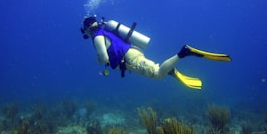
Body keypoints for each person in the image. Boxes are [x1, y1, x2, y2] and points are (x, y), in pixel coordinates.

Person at [81, 16, 231, 89]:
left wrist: (99, 60)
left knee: (158, 75)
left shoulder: (97, 37)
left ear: (88, 28)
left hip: (129, 59)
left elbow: (104, 57)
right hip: (132, 53)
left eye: (85, 29)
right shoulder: (105, 30)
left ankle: (184, 52)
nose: (85, 33)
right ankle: (170, 70)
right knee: (159, 73)